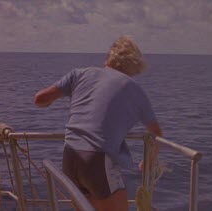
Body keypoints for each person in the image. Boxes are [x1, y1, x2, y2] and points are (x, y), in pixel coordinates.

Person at [34, 36, 162, 211]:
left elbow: (40, 99)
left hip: (70, 155)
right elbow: (156, 133)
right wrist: (148, 161)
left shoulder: (79, 74)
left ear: (108, 59)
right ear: (133, 66)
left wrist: (51, 102)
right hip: (97, 160)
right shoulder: (133, 88)